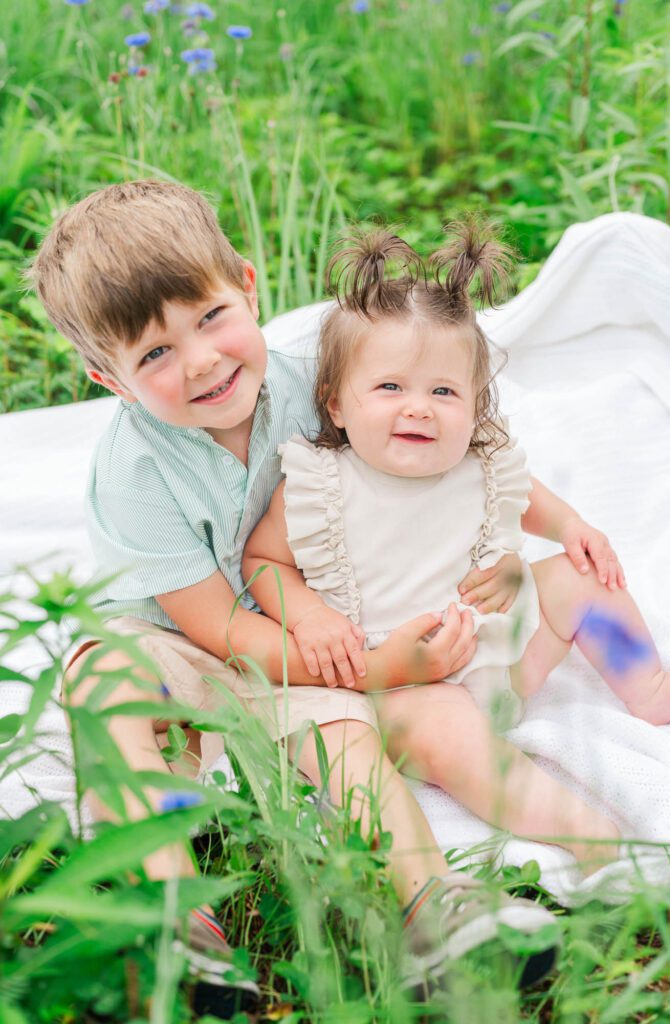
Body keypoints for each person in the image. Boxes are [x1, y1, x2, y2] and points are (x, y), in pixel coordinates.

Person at [28, 182, 558, 1015]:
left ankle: (436, 907)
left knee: (350, 752)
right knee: (103, 684)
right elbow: (214, 623)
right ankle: (178, 914)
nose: (200, 361)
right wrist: (370, 664)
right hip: (187, 639)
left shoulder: (322, 383)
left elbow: (442, 457)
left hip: (310, 639)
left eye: (208, 318)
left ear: (246, 284)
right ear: (110, 378)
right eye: (154, 355)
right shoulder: (132, 470)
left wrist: (538, 531)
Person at [243, 220, 670, 888]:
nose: (418, 408)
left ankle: (645, 684)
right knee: (448, 732)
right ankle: (590, 835)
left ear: (474, 407)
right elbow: (264, 562)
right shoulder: (318, 483)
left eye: (443, 392)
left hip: (498, 653)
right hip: (400, 678)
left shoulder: (478, 460)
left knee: (580, 578)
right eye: (389, 388)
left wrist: (572, 528)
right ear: (335, 403)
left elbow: (521, 493)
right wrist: (305, 615)